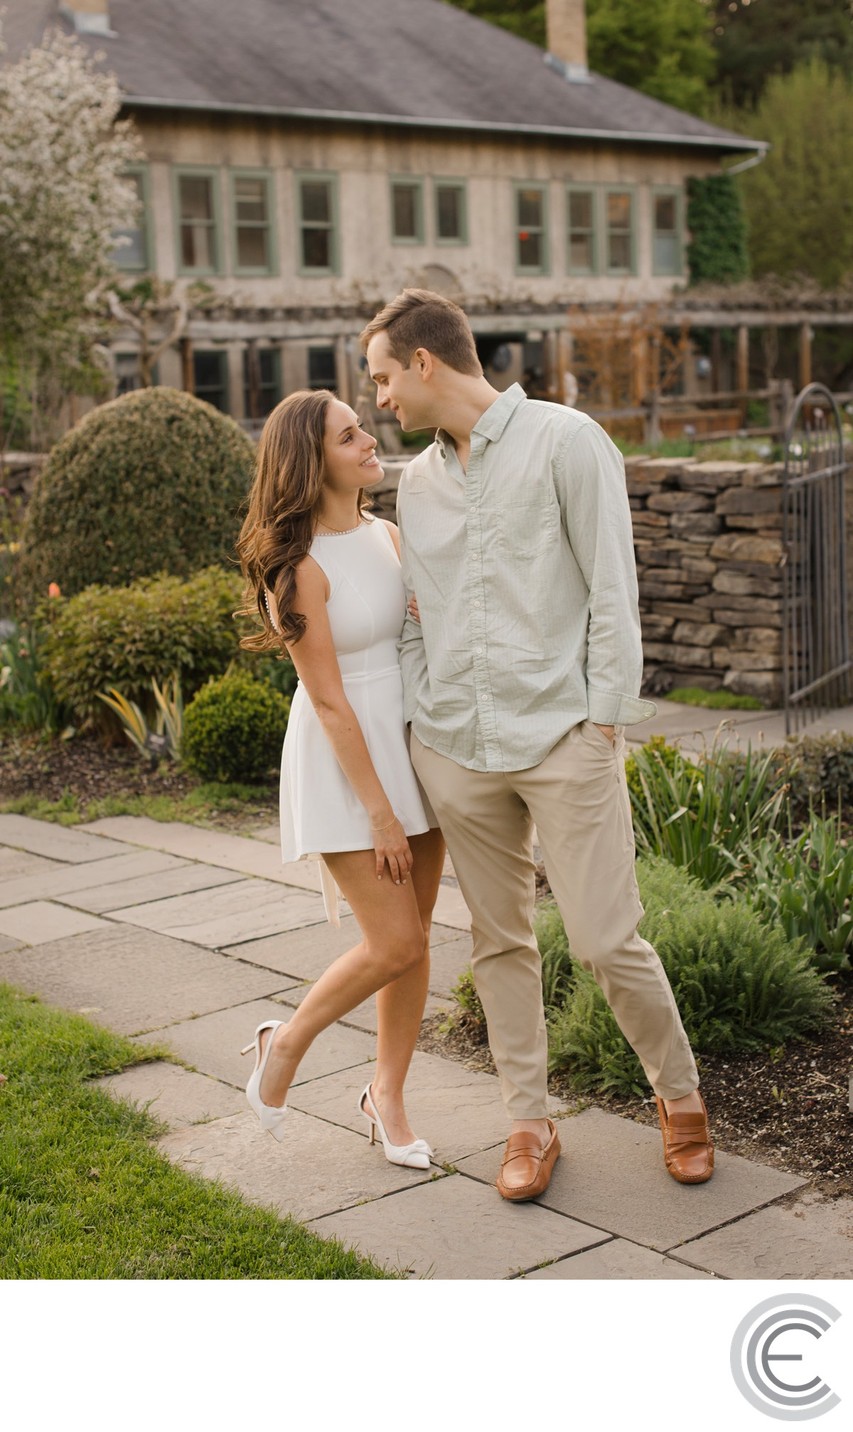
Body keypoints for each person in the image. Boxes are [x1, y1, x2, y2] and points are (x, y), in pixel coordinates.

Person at [360, 289, 713, 1201]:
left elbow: (611, 586)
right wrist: (415, 721)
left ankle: (679, 1098)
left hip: (563, 738)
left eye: (383, 377)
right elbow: (414, 615)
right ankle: (527, 1120)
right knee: (497, 944)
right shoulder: (419, 481)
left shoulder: (568, 440)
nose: (379, 401)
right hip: (455, 747)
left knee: (606, 940)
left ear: (425, 362)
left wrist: (602, 722)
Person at [236, 388, 446, 1168]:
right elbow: (327, 701)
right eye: (349, 435)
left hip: (408, 747)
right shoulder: (295, 568)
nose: (369, 440)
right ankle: (284, 1044)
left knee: (416, 942)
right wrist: (380, 813)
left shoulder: (388, 534)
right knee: (392, 942)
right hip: (345, 763)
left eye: (363, 427)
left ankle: (385, 1096)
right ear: (312, 460)